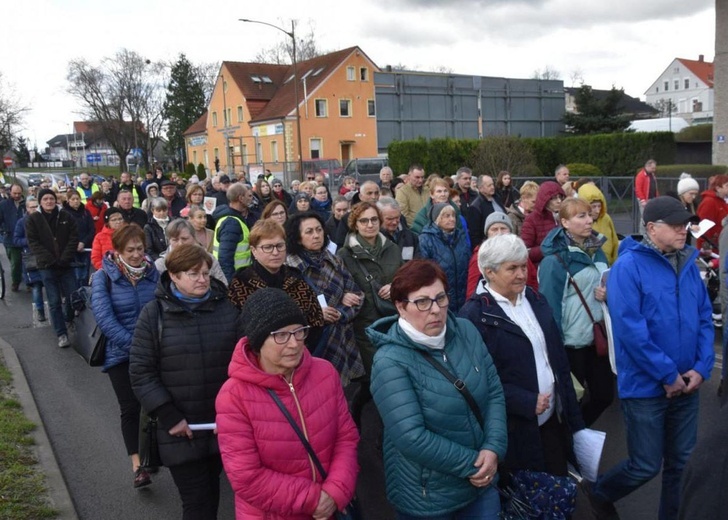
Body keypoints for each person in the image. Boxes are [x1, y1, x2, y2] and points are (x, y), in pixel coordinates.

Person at [585, 197, 714, 520]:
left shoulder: (688, 261)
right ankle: (593, 496)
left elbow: (703, 317)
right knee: (644, 465)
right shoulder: (628, 268)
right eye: (675, 224)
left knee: (681, 465)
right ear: (652, 228)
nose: (683, 229)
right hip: (646, 386)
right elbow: (631, 331)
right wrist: (668, 375)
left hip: (688, 382)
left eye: (685, 223)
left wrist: (701, 367)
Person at [366, 259, 507, 519]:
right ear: (400, 307)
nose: (435, 310)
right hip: (428, 496)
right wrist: (473, 464)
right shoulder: (390, 361)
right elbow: (411, 436)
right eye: (422, 302)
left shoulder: (465, 330)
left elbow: (494, 392)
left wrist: (494, 447)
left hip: (482, 481)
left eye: (440, 298)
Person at [215, 288, 359, 519]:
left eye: (299, 332)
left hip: (330, 508)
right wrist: (313, 500)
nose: (294, 344)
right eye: (281, 335)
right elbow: (246, 477)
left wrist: (335, 491)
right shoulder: (234, 396)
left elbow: (346, 437)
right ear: (258, 341)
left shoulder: (325, 373)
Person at [130, 243, 244, 519]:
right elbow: (141, 372)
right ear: (174, 275)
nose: (203, 279)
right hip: (181, 429)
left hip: (222, 425)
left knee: (211, 494)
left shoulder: (227, 308)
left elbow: (243, 361)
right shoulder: (153, 314)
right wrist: (170, 416)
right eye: (194, 274)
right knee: (196, 503)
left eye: (206, 272)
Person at [459, 234, 585, 479]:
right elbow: (476, 381)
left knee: (559, 491)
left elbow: (557, 361)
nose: (521, 274)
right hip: (515, 430)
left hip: (552, 422)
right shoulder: (474, 317)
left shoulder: (536, 300)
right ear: (489, 273)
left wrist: (575, 419)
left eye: (522, 266)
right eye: (512, 268)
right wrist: (524, 401)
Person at [92, 225, 159, 488]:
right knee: (130, 408)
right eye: (129, 250)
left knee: (154, 406)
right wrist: (135, 346)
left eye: (140, 249)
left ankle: (153, 454)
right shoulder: (103, 277)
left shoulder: (153, 273)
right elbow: (104, 319)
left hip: (153, 352)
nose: (135, 255)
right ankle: (138, 465)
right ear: (117, 250)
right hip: (120, 354)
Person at [538, 198, 612, 426]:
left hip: (597, 341)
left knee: (604, 396)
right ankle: (570, 446)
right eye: (581, 216)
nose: (590, 220)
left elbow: (605, 286)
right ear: (565, 223)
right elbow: (550, 309)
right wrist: (554, 350)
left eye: (590, 215)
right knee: (571, 404)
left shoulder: (597, 252)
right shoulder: (555, 261)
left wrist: (608, 295)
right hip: (570, 346)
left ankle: (578, 435)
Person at [338, 202, 403, 425]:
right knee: (375, 375)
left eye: (374, 219)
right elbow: (339, 286)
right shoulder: (345, 254)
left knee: (394, 373)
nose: (370, 225)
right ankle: (364, 421)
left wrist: (396, 285)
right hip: (363, 323)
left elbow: (405, 277)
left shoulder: (391, 247)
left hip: (393, 319)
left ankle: (388, 421)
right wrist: (344, 295)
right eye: (364, 221)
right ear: (355, 225)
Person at [285, 211, 365, 385]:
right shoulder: (290, 268)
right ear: (298, 238)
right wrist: (315, 314)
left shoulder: (334, 261)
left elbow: (358, 296)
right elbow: (285, 310)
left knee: (341, 395)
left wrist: (340, 313)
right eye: (309, 232)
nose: (316, 235)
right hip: (310, 342)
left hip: (340, 339)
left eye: (319, 230)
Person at [228, 219, 325, 351]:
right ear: (254, 251)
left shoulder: (297, 279)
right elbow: (238, 330)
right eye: (267, 247)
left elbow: (316, 321)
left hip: (299, 353)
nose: (275, 252)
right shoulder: (241, 283)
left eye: (280, 246)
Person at [25, 189, 79, 348]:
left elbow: (73, 237)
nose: (49, 201)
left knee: (71, 297)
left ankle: (68, 318)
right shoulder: (33, 219)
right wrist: (50, 259)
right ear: (40, 202)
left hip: (66, 264)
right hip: (46, 266)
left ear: (55, 200)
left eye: (51, 198)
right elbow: (33, 243)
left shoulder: (66, 216)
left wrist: (64, 258)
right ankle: (61, 333)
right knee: (54, 301)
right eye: (45, 199)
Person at [419, 203, 470, 312]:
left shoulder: (460, 236)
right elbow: (424, 270)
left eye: (453, 216)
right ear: (437, 219)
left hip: (462, 294)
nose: (452, 219)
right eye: (447, 216)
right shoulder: (426, 239)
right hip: (440, 294)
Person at [156, 219, 227, 285]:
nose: (180, 243)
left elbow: (223, 286)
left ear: (194, 238)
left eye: (185, 239)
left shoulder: (209, 258)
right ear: (169, 241)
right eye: (175, 240)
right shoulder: (161, 264)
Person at [212, 183, 255, 282]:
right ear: (240, 198)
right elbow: (225, 257)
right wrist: (231, 284)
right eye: (247, 196)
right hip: (236, 277)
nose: (250, 198)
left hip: (241, 275)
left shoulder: (233, 218)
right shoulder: (231, 222)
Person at [13, 196, 45, 321]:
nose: (34, 209)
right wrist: (30, 241)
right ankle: (40, 310)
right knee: (36, 286)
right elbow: (16, 240)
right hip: (31, 258)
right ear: (27, 208)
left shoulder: (44, 220)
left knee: (51, 284)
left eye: (36, 206)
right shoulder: (21, 222)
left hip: (45, 256)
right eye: (32, 207)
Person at [521, 181, 566, 268]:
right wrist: (547, 249)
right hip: (542, 269)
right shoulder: (531, 219)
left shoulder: (563, 217)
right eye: (554, 198)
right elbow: (524, 252)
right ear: (545, 199)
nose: (559, 201)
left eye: (560, 197)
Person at [578, 182, 620, 265]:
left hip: (610, 266)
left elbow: (615, 241)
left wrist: (616, 263)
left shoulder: (606, 218)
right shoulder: (579, 222)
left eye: (599, 206)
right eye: (593, 207)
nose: (597, 211)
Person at [62, 190, 95, 287]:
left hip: (86, 247)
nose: (76, 201)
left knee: (85, 274)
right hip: (72, 249)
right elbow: (64, 232)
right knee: (76, 275)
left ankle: (85, 295)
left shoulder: (85, 212)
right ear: (68, 200)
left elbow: (91, 229)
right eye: (73, 199)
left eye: (77, 199)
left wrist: (83, 242)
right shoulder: (64, 213)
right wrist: (75, 243)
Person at [465, 175, 505, 247]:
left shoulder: (497, 198)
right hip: (488, 245)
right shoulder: (475, 207)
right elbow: (474, 234)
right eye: (489, 185)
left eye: (492, 184)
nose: (492, 187)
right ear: (480, 188)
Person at [0, 184, 26, 291]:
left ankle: (28, 281)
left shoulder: (25, 204)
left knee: (27, 261)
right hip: (10, 237)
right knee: (15, 262)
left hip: (24, 237)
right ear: (10, 192)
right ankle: (16, 280)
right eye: (14, 193)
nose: (17, 195)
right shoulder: (3, 204)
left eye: (19, 193)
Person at [378, 197, 419, 261]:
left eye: (397, 218)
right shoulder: (374, 238)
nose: (394, 222)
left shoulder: (411, 237)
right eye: (390, 219)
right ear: (379, 217)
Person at [696, 174, 728, 252]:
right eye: (727, 185)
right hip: (711, 250)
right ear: (718, 188)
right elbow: (703, 226)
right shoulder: (709, 202)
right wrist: (705, 247)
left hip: (720, 246)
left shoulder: (722, 202)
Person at [635, 159, 658, 233]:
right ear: (647, 166)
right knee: (644, 217)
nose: (654, 170)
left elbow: (655, 187)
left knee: (651, 217)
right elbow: (638, 189)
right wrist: (642, 200)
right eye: (652, 168)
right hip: (645, 199)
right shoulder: (641, 175)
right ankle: (642, 233)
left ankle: (648, 233)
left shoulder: (652, 175)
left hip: (652, 198)